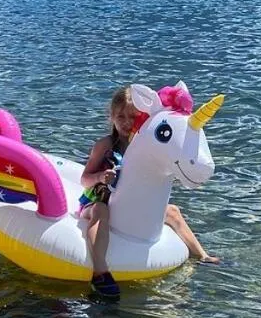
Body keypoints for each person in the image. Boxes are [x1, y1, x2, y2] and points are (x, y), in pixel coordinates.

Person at [79, 84, 219, 300]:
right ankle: (99, 271)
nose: (126, 123)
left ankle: (202, 255)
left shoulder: (146, 144)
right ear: (112, 117)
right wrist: (99, 177)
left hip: (128, 205)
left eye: (132, 117)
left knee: (172, 211)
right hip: (99, 200)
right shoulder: (106, 145)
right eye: (120, 117)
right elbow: (84, 179)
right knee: (101, 211)